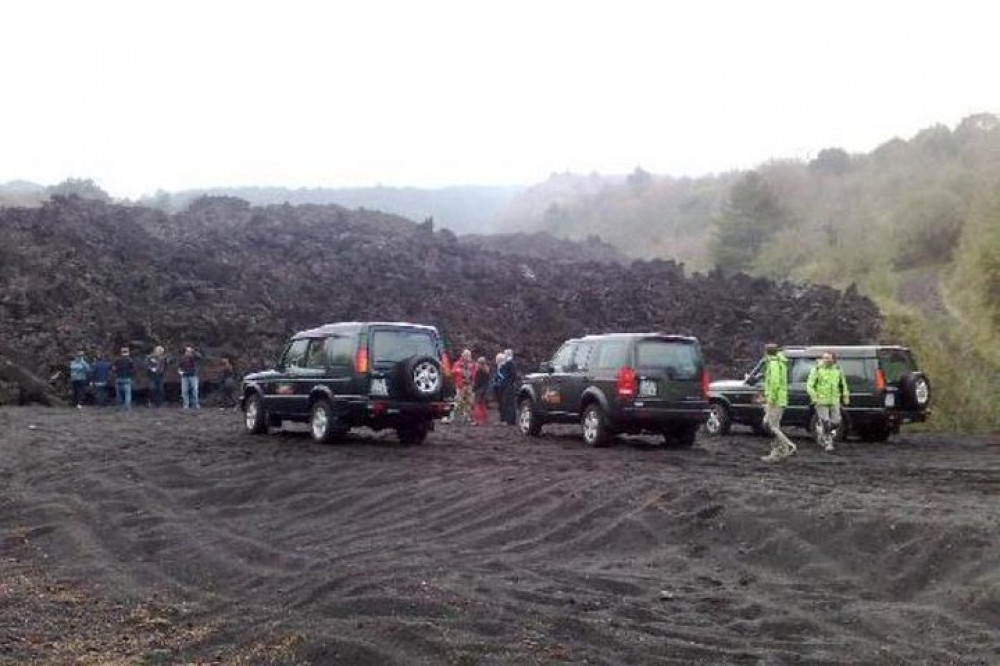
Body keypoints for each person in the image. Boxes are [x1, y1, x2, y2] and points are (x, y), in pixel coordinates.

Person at [806, 351, 851, 452]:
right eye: (824, 358)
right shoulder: (817, 370)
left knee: (836, 422)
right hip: (821, 400)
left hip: (834, 399)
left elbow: (843, 384)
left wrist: (845, 396)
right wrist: (814, 397)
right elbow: (809, 385)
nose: (825, 360)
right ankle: (828, 442)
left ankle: (824, 434)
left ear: (833, 359)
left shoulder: (838, 370)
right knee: (825, 421)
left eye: (828, 358)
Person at [759, 343, 796, 462]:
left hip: (776, 400)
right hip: (780, 399)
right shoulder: (780, 362)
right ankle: (780, 451)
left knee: (771, 426)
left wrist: (770, 399)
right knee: (772, 425)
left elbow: (774, 383)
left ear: (766, 352)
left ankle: (788, 446)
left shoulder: (774, 364)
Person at [449, 349, 475, 425]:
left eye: (468, 355)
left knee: (469, 402)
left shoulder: (472, 364)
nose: (467, 357)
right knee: (458, 401)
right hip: (461, 385)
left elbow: (475, 373)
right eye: (466, 355)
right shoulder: (457, 363)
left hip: (469, 385)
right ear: (463, 355)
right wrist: (458, 370)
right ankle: (451, 417)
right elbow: (452, 372)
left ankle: (467, 417)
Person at [472, 356, 491, 426]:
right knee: (483, 405)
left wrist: (473, 389)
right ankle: (484, 419)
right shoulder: (486, 370)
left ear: (479, 363)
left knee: (476, 405)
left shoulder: (479, 371)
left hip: (479, 390)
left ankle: (477, 420)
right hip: (485, 389)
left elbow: (477, 382)